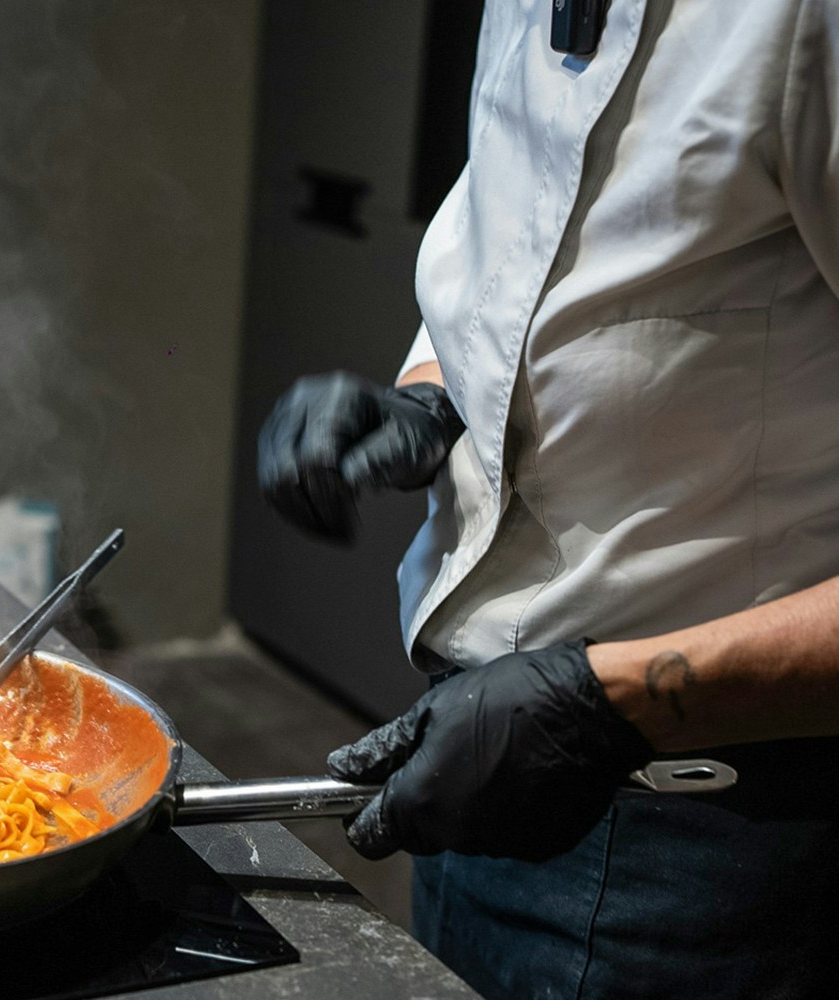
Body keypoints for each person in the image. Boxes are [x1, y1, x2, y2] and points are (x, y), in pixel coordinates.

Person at [258, 3, 839, 997]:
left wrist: (605, 707)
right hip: (482, 769)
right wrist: (433, 391)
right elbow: (528, 235)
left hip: (710, 841)